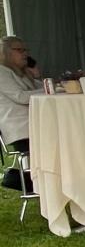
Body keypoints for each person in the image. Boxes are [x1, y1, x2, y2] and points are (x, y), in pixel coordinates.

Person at [0, 36, 42, 191]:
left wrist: (39, 77)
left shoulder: (18, 72)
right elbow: (21, 96)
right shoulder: (2, 73)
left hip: (33, 126)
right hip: (22, 130)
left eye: (25, 50)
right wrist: (51, 89)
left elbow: (39, 89)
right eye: (19, 50)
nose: (25, 53)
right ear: (6, 53)